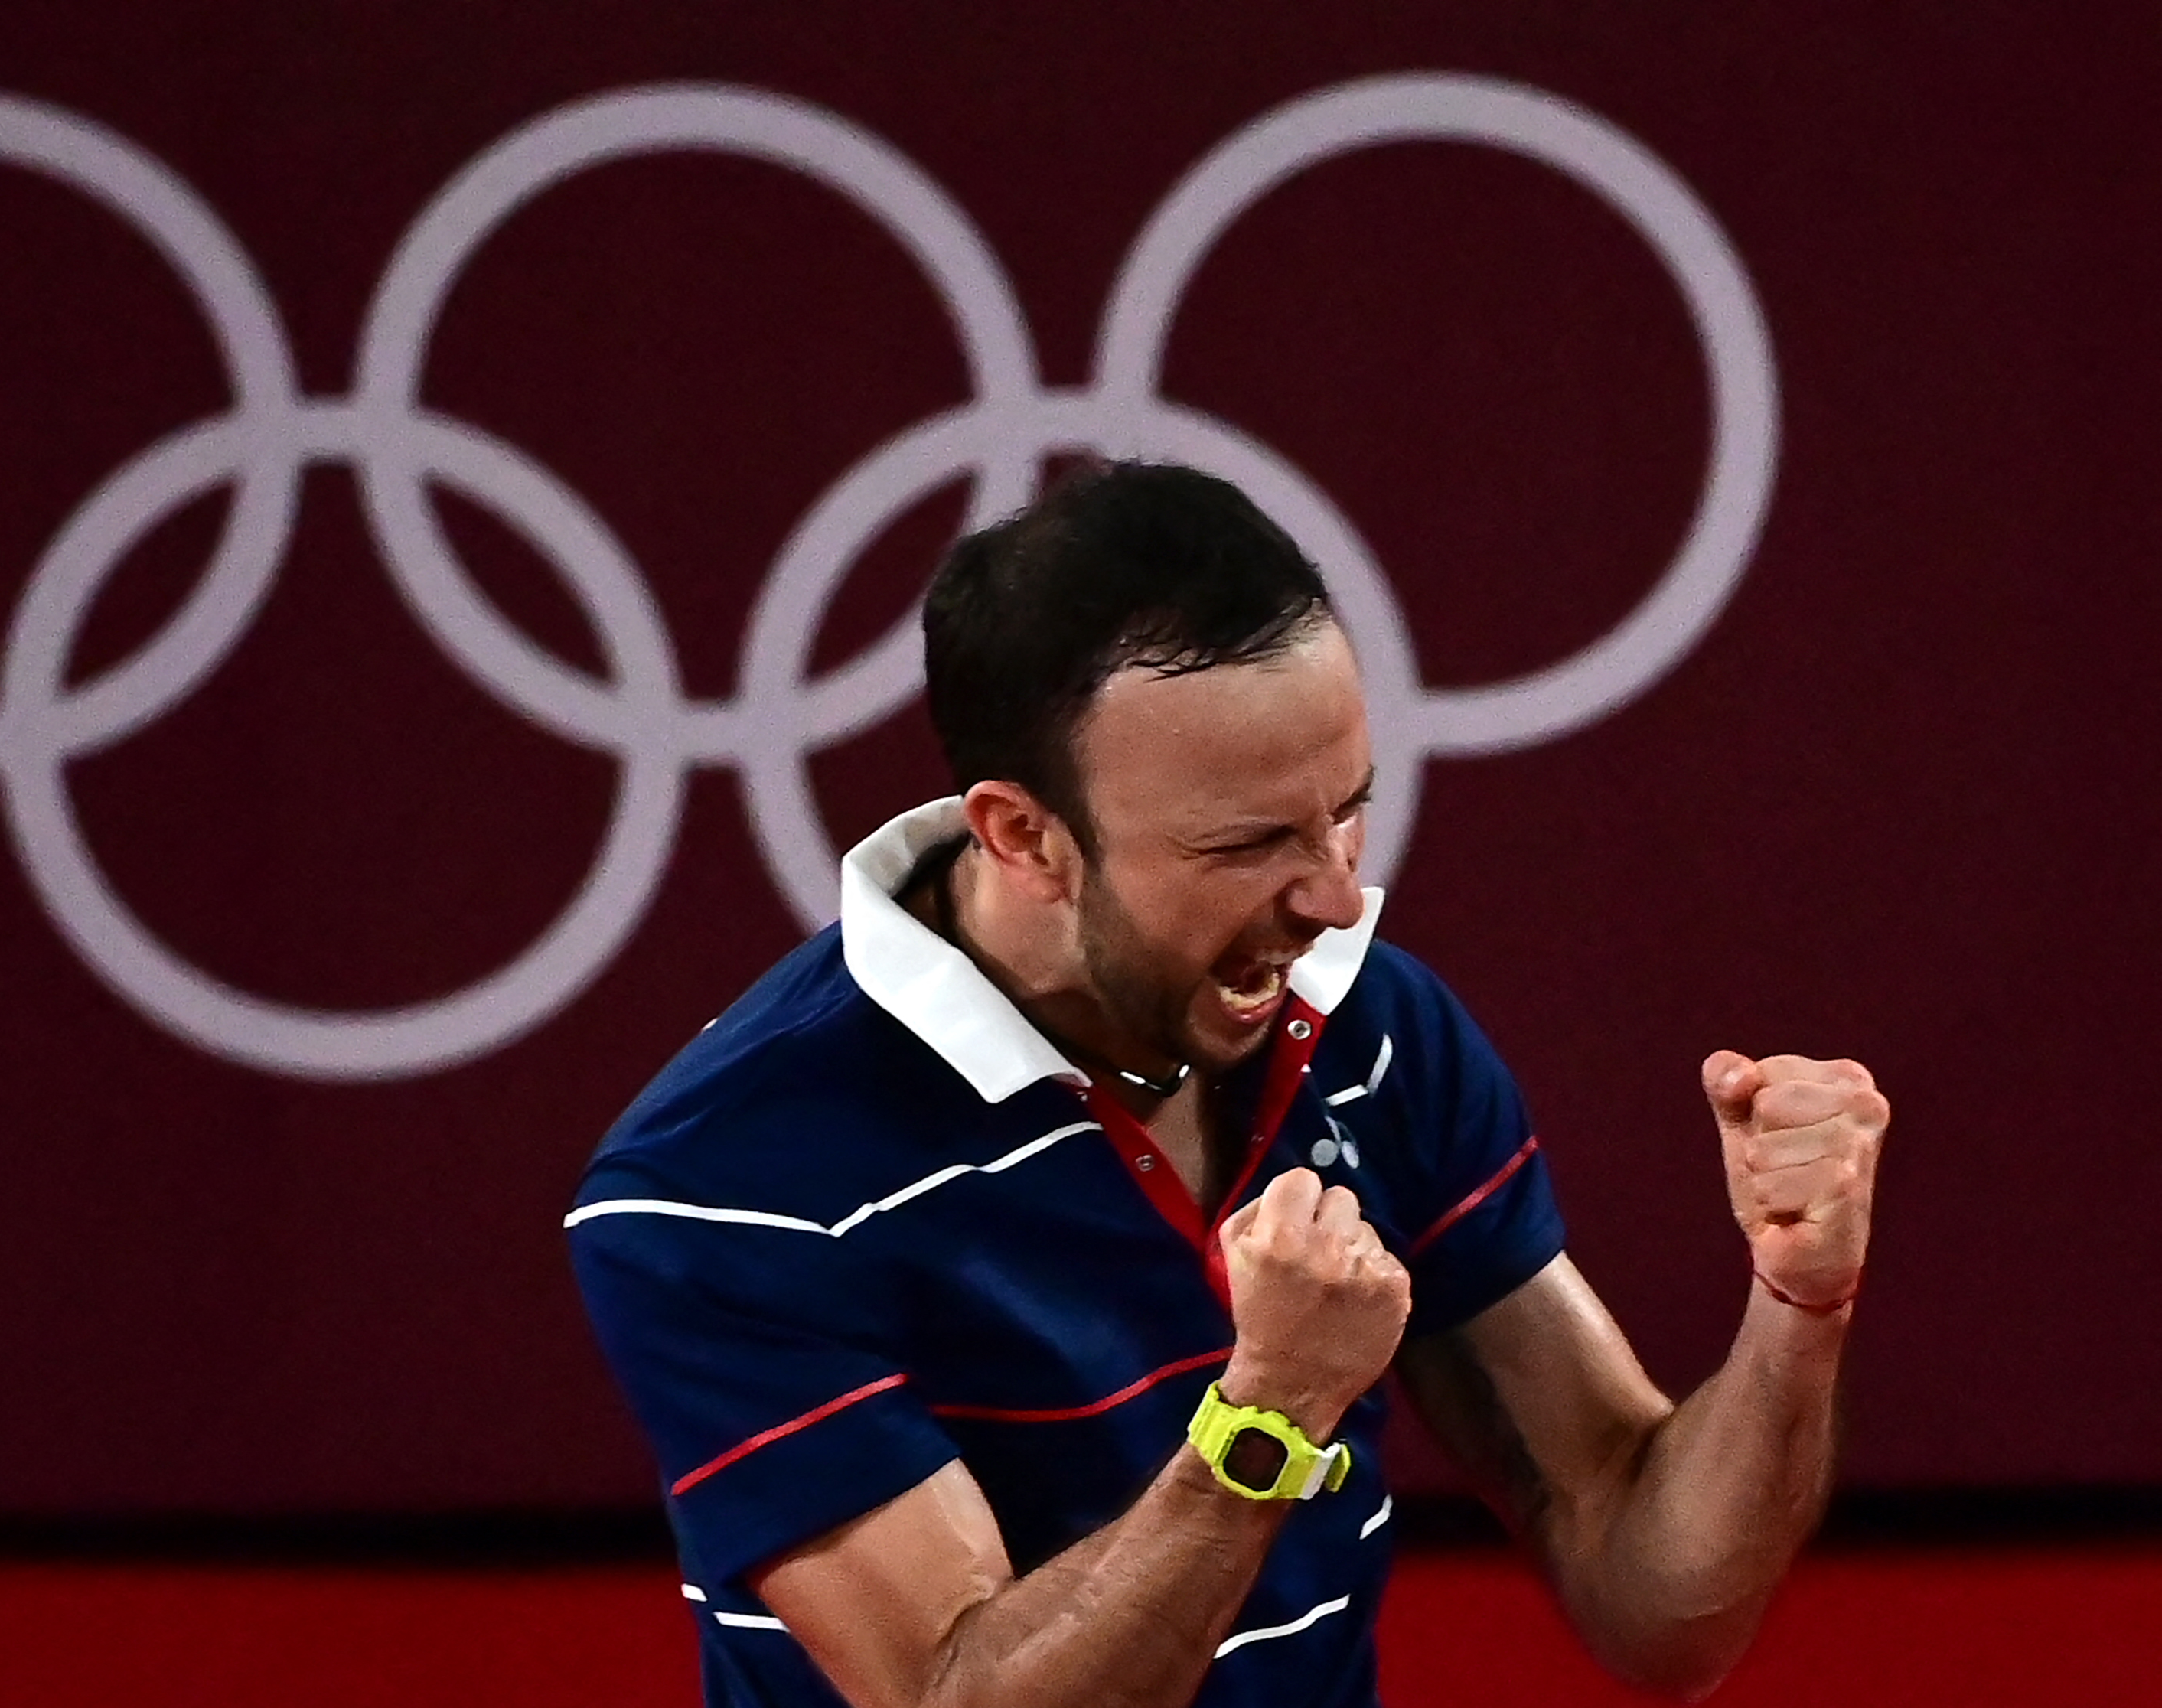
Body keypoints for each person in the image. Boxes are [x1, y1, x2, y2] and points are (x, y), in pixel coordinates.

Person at [566, 461, 1888, 1708]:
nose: (1329, 896)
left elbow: (1656, 1607)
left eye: (1346, 810)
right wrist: (1264, 1418)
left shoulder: (1372, 1032)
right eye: (1250, 842)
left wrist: (1796, 1307)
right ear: (1025, 836)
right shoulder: (725, 1187)